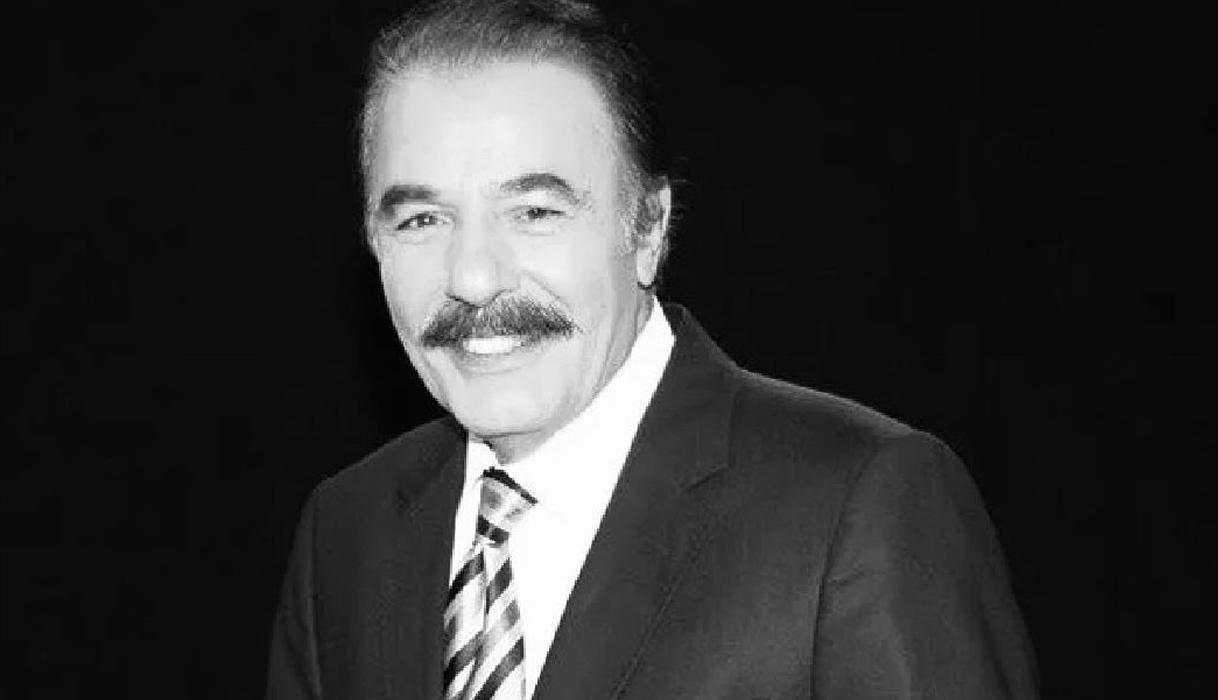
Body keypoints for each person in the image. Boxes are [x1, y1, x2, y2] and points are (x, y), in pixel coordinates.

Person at [267, 1, 1037, 698]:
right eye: (422, 221)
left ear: (648, 230)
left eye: (535, 211)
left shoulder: (858, 507)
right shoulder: (346, 532)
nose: (472, 277)